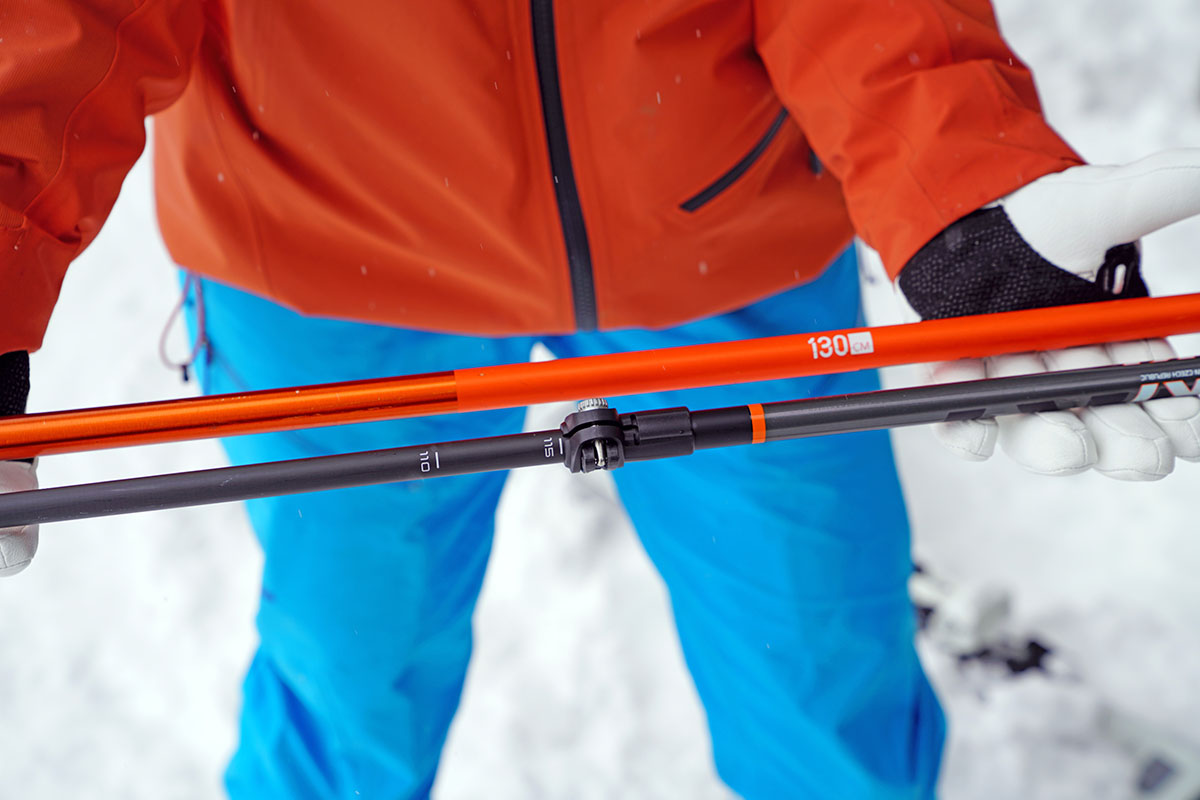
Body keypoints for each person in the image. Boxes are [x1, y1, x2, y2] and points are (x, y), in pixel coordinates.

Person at [2, 2, 1199, 797]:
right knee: (349, 671)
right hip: (323, 254)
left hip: (720, 236)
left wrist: (965, 188)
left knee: (818, 650)